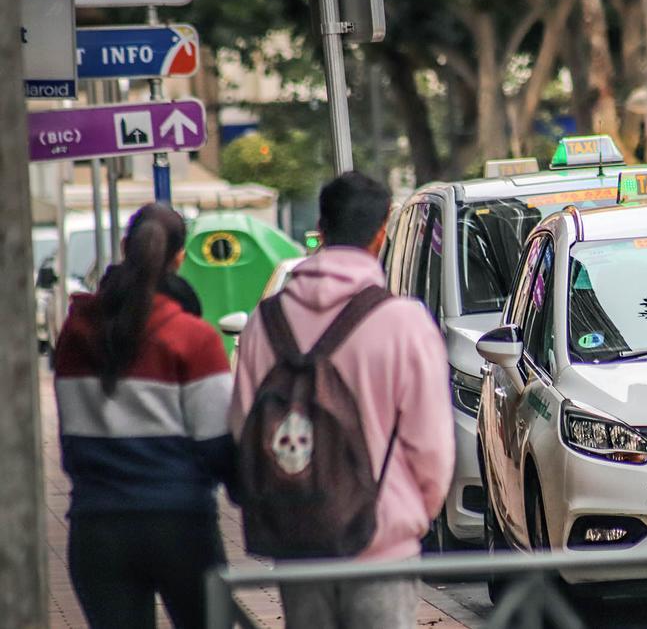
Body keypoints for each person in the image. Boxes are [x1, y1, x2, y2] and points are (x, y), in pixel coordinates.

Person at [229, 171, 454, 629]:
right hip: (381, 548)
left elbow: (242, 430)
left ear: (321, 227)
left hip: (299, 542)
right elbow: (432, 450)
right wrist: (405, 515)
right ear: (381, 231)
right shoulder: (404, 323)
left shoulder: (264, 322)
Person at [53, 203, 234, 629]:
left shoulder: (75, 334)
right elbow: (217, 446)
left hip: (96, 528)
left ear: (123, 248)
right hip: (182, 526)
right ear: (179, 258)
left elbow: (69, 436)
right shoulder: (194, 339)